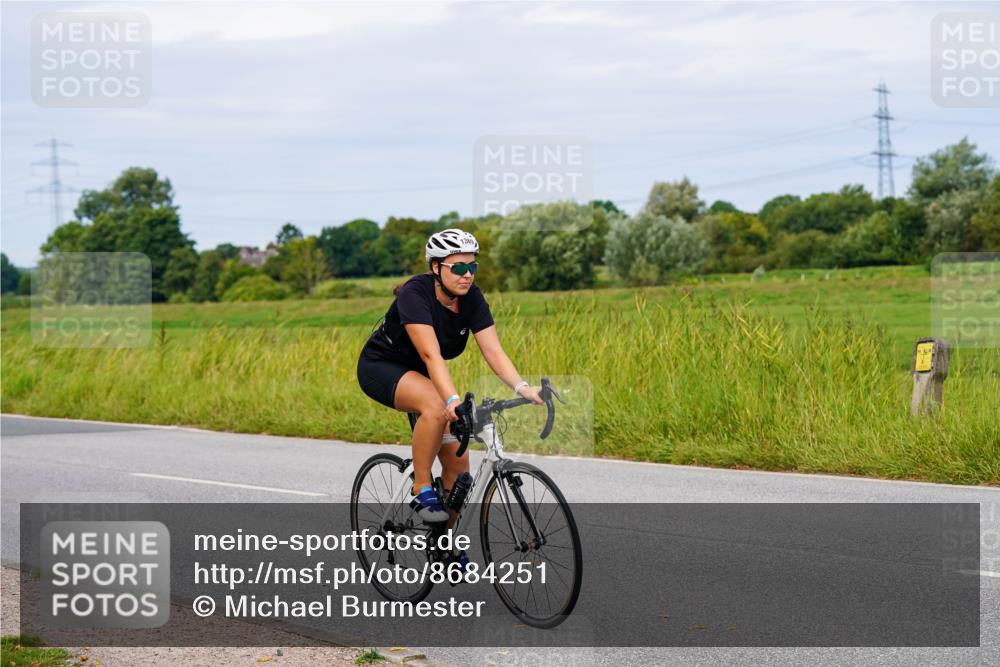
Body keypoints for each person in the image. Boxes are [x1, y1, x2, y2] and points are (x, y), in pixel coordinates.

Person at [356, 228, 544, 528]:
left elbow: (494, 351)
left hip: (423, 374)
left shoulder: (472, 298)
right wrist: (452, 400)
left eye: (472, 267)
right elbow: (431, 356)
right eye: (458, 267)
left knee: (459, 470)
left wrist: (523, 388)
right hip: (382, 367)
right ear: (436, 267)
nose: (467, 275)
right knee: (435, 404)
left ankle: (445, 546)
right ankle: (421, 487)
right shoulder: (415, 294)